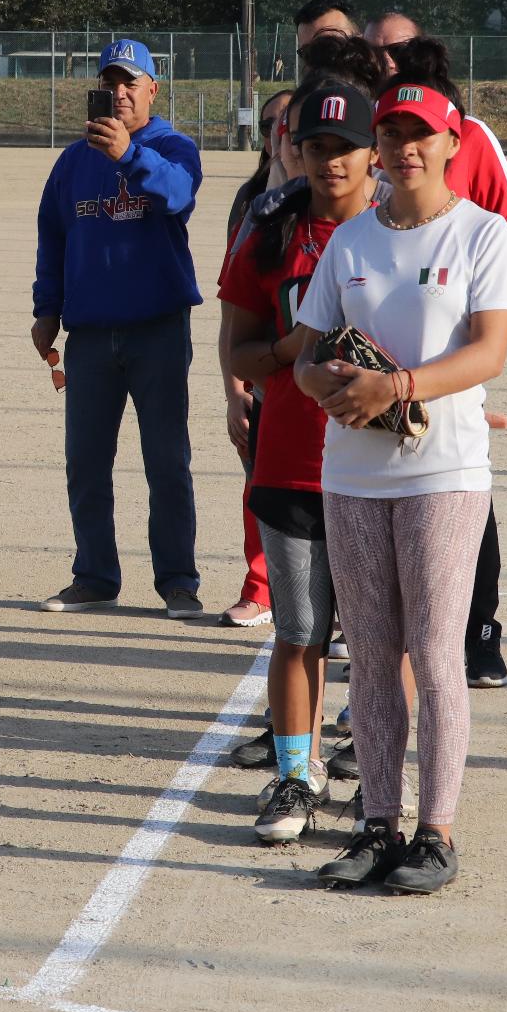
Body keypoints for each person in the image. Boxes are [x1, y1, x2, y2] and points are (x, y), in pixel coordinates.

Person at [294, 70, 507, 894]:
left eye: (421, 134)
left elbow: (488, 353)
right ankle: (376, 824)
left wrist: (392, 389)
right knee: (368, 652)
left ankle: (436, 832)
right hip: (352, 473)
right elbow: (305, 353)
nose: (405, 148)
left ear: (452, 144)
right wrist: (330, 385)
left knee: (434, 652)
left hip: (445, 472)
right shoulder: (351, 240)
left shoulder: (480, 236)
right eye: (392, 135)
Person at [221, 77, 380, 842]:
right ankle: (293, 776)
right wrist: (290, 351)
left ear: (372, 152)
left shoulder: (401, 228)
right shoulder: (272, 230)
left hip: (383, 468)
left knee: (389, 636)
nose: (329, 162)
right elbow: (238, 348)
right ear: (293, 149)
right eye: (314, 146)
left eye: (344, 147)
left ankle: (383, 778)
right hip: (290, 463)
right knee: (300, 629)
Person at [367, 14, 507, 687]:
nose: (385, 59)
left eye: (397, 49)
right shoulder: (365, 134)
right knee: (381, 483)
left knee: (463, 485)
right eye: (376, 50)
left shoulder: (473, 137)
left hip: (451, 343)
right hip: (376, 340)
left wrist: (472, 302)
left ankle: (481, 632)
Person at [33, 38, 204, 619]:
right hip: (89, 336)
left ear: (154, 88)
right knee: (85, 462)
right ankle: (95, 575)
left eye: (131, 82)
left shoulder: (173, 146)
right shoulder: (73, 160)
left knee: (166, 462)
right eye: (111, 82)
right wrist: (45, 308)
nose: (121, 92)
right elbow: (52, 236)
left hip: (157, 329)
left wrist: (131, 154)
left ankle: (178, 581)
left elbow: (178, 196)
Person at [216, 89, 300, 630]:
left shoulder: (340, 200)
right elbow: (234, 305)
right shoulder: (251, 202)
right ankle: (260, 585)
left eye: (288, 125)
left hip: (319, 379)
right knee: (258, 483)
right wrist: (233, 389)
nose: (278, 134)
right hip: (265, 373)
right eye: (270, 124)